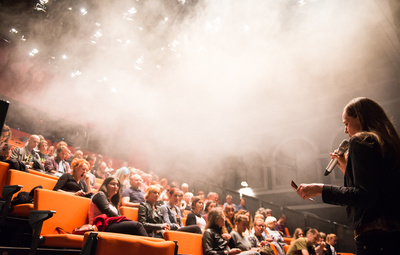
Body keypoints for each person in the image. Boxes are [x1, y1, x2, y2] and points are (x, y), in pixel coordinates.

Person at [295, 97, 400, 255]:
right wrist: (347, 169)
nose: (345, 130)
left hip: (375, 239)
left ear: (360, 117)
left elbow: (364, 196)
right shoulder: (390, 143)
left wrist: (320, 189)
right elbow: (377, 188)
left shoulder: (361, 140)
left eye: (346, 123)